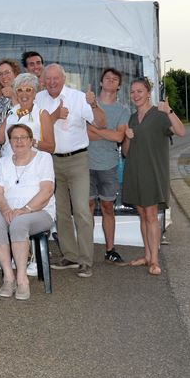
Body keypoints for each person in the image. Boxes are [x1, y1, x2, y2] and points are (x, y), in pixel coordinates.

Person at [36, 63, 106, 278]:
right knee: (61, 212)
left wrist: (94, 104)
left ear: (63, 79)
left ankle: (86, 261)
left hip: (77, 160)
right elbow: (34, 126)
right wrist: (55, 116)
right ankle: (70, 255)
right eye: (48, 79)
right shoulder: (39, 99)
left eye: (56, 78)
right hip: (50, 161)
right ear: (43, 80)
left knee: (82, 211)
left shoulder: (78, 97)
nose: (52, 82)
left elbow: (101, 123)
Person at [121, 78, 185, 275]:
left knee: (151, 215)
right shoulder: (132, 118)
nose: (136, 95)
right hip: (134, 171)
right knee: (142, 214)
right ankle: (148, 255)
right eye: (132, 92)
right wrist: (128, 138)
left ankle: (155, 261)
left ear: (148, 93)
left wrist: (170, 111)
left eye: (139, 91)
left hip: (153, 172)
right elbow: (125, 151)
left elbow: (181, 131)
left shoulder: (159, 114)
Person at [0, 124, 56, 300]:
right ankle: (9, 277)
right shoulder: (3, 162)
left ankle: (22, 279)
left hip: (39, 211)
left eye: (23, 137)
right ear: (9, 142)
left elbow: (47, 191)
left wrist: (25, 209)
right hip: (8, 210)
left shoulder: (44, 158)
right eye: (14, 138)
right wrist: (6, 209)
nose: (19, 141)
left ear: (31, 140)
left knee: (19, 223)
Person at [87, 68, 130, 264]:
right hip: (85, 163)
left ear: (119, 86)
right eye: (107, 78)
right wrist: (108, 132)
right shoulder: (89, 105)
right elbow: (84, 134)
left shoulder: (123, 110)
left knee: (107, 207)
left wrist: (96, 130)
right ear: (101, 83)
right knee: (86, 208)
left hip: (109, 165)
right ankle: (85, 250)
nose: (111, 81)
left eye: (115, 79)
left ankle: (110, 249)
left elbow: (119, 137)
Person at [0, 73, 55, 159]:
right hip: (9, 165)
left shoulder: (42, 114)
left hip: (32, 166)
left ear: (35, 93)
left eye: (28, 90)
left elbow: (51, 147)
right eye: (20, 90)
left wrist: (31, 141)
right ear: (16, 93)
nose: (24, 94)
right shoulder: (11, 113)